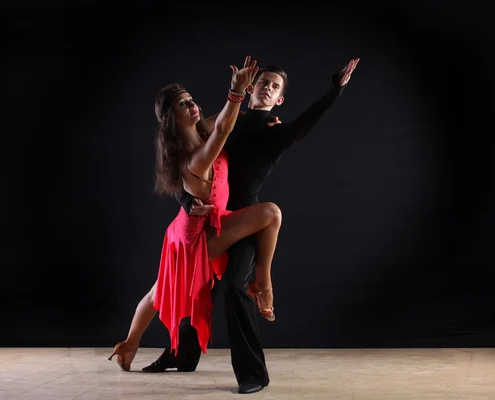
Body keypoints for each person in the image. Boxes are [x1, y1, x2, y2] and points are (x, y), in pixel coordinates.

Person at [141, 58, 360, 394]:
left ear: (278, 100)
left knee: (231, 287)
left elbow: (307, 122)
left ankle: (253, 373)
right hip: (212, 218)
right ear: (252, 87)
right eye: (263, 82)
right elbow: (184, 165)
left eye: (275, 86)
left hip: (244, 220)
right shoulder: (226, 120)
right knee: (193, 284)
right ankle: (180, 355)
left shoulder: (277, 133)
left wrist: (336, 90)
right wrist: (186, 203)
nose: (267, 86)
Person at [108, 56, 284, 374]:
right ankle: (263, 283)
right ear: (173, 120)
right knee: (270, 213)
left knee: (158, 290)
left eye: (190, 99)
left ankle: (130, 343)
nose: (192, 105)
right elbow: (224, 130)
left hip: (185, 227)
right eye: (182, 105)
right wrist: (235, 93)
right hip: (198, 236)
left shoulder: (200, 128)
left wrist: (266, 128)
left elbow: (236, 122)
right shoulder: (193, 160)